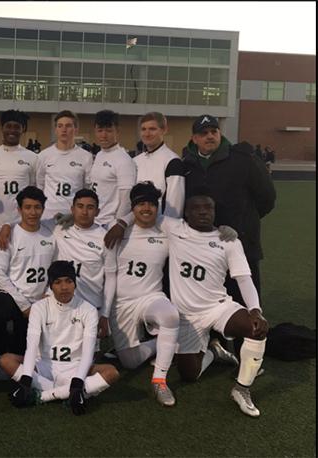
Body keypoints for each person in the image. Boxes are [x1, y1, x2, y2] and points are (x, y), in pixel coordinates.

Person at [171, 190, 268, 417]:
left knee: (257, 328)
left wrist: (255, 310)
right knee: (188, 375)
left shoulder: (229, 241)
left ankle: (242, 389)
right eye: (197, 208)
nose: (204, 212)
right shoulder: (173, 229)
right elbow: (144, 215)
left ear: (215, 212)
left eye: (209, 208)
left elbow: (244, 279)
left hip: (217, 307)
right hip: (186, 315)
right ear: (186, 212)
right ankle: (214, 351)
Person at [0, 261, 119, 412]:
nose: (64, 287)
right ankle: (73, 394)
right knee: (6, 360)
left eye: (69, 281)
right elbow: (31, 346)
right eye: (58, 282)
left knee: (112, 372)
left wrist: (77, 382)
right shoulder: (39, 307)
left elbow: (88, 352)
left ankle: (43, 396)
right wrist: (25, 380)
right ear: (50, 286)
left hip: (74, 367)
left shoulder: (88, 310)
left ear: (75, 284)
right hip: (44, 365)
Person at [181, 115, 275, 301]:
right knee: (210, 304)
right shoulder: (187, 165)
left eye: (213, 131)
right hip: (204, 249)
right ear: (194, 138)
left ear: (219, 133)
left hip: (242, 245)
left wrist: (243, 226)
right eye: (204, 133)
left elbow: (267, 198)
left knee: (246, 305)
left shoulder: (243, 160)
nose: (210, 136)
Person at [103, 182, 181, 406]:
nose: (147, 208)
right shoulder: (117, 230)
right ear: (132, 207)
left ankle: (160, 380)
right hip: (122, 303)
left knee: (170, 316)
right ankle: (165, 342)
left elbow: (195, 228)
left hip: (151, 297)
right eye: (140, 204)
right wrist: (105, 313)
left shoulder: (167, 227)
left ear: (158, 207)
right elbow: (110, 276)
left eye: (152, 204)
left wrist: (224, 231)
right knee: (129, 361)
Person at [0, 186, 56, 357]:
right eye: (27, 207)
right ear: (19, 210)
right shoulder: (10, 235)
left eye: (37, 207)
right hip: (14, 295)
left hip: (40, 298)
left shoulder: (51, 233)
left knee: (23, 349)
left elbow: (55, 269)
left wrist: (48, 293)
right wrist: (24, 305)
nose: (32, 212)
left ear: (43, 209)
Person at [52, 189, 111, 339]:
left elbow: (111, 279)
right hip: (61, 304)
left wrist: (105, 314)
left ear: (97, 211)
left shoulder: (105, 238)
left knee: (87, 359)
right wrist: (7, 225)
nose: (84, 212)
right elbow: (29, 221)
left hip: (90, 306)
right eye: (80, 206)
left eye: (90, 207)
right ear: (72, 209)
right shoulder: (58, 228)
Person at [36, 110, 94, 224]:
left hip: (73, 215)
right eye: (60, 126)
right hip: (48, 215)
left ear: (76, 129)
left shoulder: (86, 157)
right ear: (55, 129)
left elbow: (87, 188)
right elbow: (40, 185)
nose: (64, 129)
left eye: (68, 126)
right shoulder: (44, 155)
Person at [0, 110, 38, 236]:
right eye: (8, 126)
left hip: (24, 226)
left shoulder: (32, 157)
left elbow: (34, 188)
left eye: (17, 127)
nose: (12, 130)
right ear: (2, 128)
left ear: (23, 129)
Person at [133, 112, 185, 218]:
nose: (147, 134)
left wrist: (167, 230)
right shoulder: (135, 161)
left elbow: (175, 205)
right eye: (143, 129)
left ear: (164, 130)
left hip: (160, 229)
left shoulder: (173, 161)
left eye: (152, 129)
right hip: (135, 226)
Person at [89, 110, 136, 228]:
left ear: (117, 131)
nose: (103, 135)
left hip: (107, 224)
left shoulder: (123, 160)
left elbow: (126, 198)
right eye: (100, 130)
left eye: (109, 131)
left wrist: (117, 225)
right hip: (94, 222)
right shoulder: (99, 155)